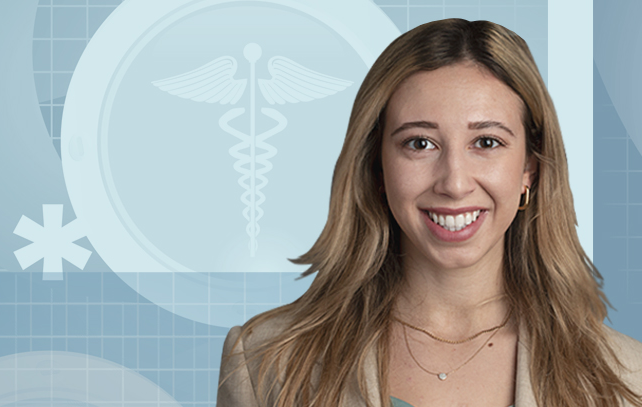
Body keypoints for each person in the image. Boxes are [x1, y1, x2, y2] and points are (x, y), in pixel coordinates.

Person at [217, 18, 642, 407]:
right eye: (420, 143)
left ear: (529, 167)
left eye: (487, 142)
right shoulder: (264, 361)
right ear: (376, 167)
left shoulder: (627, 377)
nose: (454, 183)